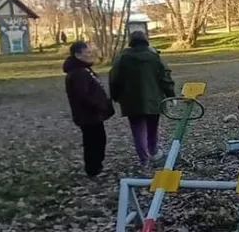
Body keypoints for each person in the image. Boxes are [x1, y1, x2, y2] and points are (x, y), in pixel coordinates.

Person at [109, 31, 175, 170]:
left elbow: (114, 79)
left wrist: (115, 96)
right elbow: (164, 77)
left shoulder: (122, 58)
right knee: (153, 127)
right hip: (154, 99)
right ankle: (153, 150)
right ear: (146, 40)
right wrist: (170, 94)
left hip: (131, 101)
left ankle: (144, 159)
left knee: (138, 130)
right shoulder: (154, 57)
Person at [63, 41, 115, 178]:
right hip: (88, 115)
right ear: (77, 54)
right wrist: (99, 105)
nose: (90, 55)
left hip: (93, 114)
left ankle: (97, 166)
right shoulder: (78, 73)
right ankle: (93, 169)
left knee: (98, 139)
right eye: (87, 53)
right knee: (93, 141)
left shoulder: (84, 69)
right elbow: (83, 95)